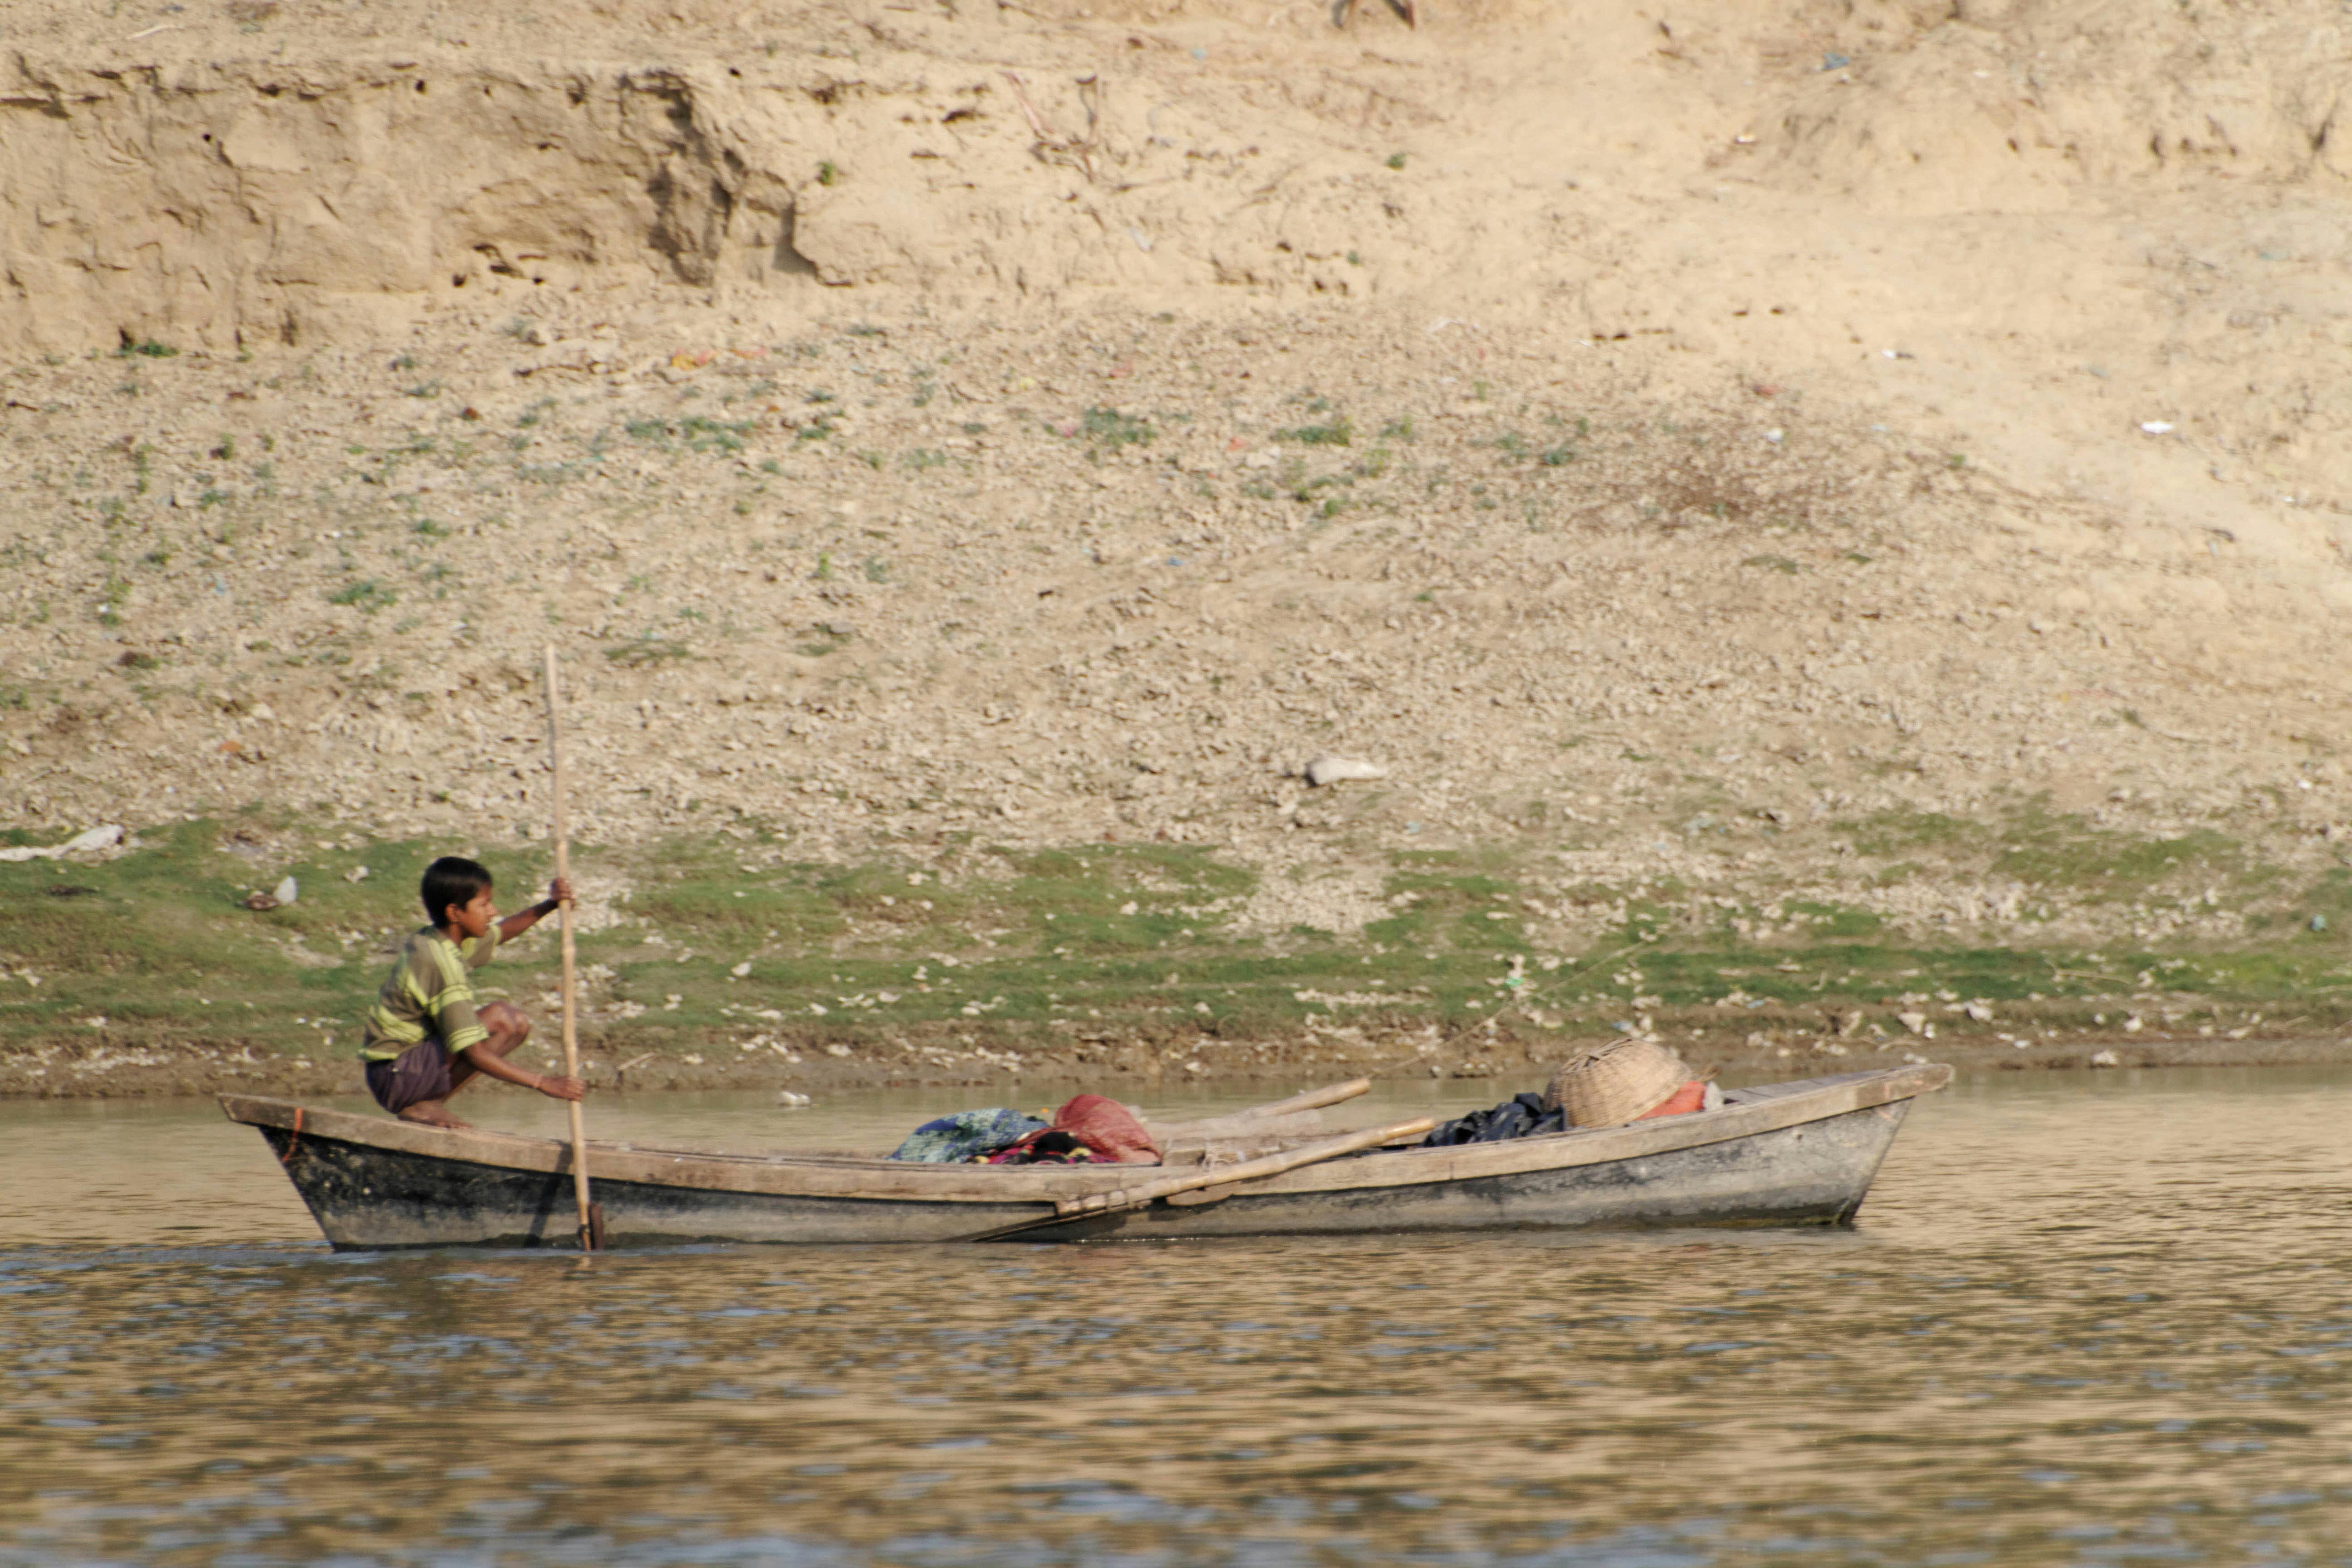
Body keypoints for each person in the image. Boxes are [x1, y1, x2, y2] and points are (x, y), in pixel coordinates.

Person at [357, 855, 585, 1128]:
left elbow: (500, 933)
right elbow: (473, 1052)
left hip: (403, 1069)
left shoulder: (440, 938)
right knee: (501, 1020)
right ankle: (420, 1105)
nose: (493, 911)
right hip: (395, 1074)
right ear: (455, 913)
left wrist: (549, 906)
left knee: (517, 1024)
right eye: (484, 904)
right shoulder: (439, 964)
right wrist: (544, 1083)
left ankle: (428, 1104)